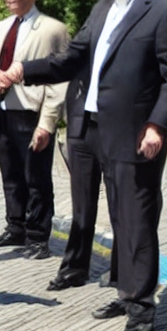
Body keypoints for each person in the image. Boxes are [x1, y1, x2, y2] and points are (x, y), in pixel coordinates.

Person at [0, 0, 167, 331]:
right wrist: (23, 70)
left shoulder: (164, 11)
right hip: (93, 128)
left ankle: (141, 311)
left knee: (137, 221)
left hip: (135, 135)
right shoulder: (104, 6)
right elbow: (73, 58)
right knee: (118, 217)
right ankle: (125, 292)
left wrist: (158, 125)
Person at [0, 0, 69, 260]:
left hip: (31, 112)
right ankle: (16, 226)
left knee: (36, 178)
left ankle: (38, 236)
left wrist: (47, 123)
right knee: (10, 174)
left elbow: (60, 78)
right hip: (2, 110)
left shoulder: (53, 29)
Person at [46, 75, 118, 291]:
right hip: (80, 121)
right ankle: (75, 267)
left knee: (119, 205)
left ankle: (121, 271)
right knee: (81, 204)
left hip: (117, 124)